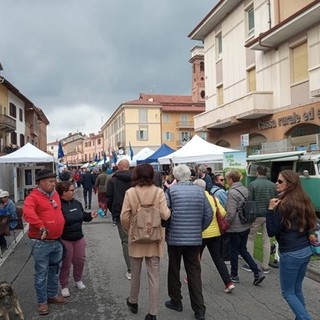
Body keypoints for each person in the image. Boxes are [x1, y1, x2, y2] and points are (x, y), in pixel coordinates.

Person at [120, 164, 171, 320]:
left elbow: (124, 217)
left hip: (136, 239)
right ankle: (153, 313)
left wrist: (130, 230)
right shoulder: (159, 192)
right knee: (154, 276)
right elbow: (165, 214)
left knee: (135, 272)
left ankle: (133, 301)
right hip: (154, 238)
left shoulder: (131, 192)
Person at [266, 170, 317, 320]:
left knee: (288, 292)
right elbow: (311, 224)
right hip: (305, 251)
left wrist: (270, 210)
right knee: (296, 289)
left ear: (290, 184)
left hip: (291, 253)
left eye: (280, 181)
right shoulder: (303, 199)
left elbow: (271, 231)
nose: (276, 183)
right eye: (277, 180)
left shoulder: (282, 205)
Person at [164, 164, 212, 320]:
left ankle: (176, 300)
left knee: (174, 269)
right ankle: (199, 308)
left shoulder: (171, 191)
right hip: (194, 238)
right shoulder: (200, 191)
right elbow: (208, 214)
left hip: (175, 238)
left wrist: (169, 228)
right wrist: (199, 229)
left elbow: (166, 213)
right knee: (194, 272)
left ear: (176, 177)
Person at [23, 169, 67, 316]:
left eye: (54, 181)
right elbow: (28, 213)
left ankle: (52, 295)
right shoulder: (32, 197)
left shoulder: (54, 194)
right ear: (41, 182)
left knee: (54, 270)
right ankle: (42, 302)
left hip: (57, 241)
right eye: (51, 181)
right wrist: (41, 225)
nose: (54, 184)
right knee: (41, 273)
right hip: (41, 242)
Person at [56, 181, 98, 297]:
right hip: (65, 239)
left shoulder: (77, 203)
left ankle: (78, 279)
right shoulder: (58, 206)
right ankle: (64, 285)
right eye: (71, 190)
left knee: (80, 260)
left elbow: (83, 215)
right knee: (66, 263)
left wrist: (90, 215)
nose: (74, 192)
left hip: (79, 237)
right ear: (63, 192)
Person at [193, 179, 235, 294]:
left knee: (196, 257)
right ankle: (228, 282)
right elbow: (223, 213)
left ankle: (193, 278)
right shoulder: (213, 198)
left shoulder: (196, 200)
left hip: (201, 233)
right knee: (218, 258)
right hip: (215, 233)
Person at [225, 170, 265, 286]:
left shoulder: (232, 192)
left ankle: (234, 275)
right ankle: (257, 271)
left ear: (231, 179)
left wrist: (226, 224)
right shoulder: (245, 189)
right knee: (242, 249)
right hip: (245, 223)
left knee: (234, 250)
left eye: (227, 179)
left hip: (236, 226)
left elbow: (231, 213)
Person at [242, 166, 277, 274]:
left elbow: (249, 201)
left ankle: (250, 263)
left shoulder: (252, 184)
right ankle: (265, 266)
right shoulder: (272, 185)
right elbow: (276, 200)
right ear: (266, 173)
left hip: (256, 215)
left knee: (250, 238)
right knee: (266, 240)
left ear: (257, 173)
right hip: (269, 214)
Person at [106, 159, 133, 279]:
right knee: (138, 239)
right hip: (136, 213)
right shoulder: (136, 179)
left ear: (119, 167)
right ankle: (139, 266)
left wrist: (114, 211)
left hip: (120, 213)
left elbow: (109, 198)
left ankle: (130, 269)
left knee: (125, 241)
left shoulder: (113, 180)